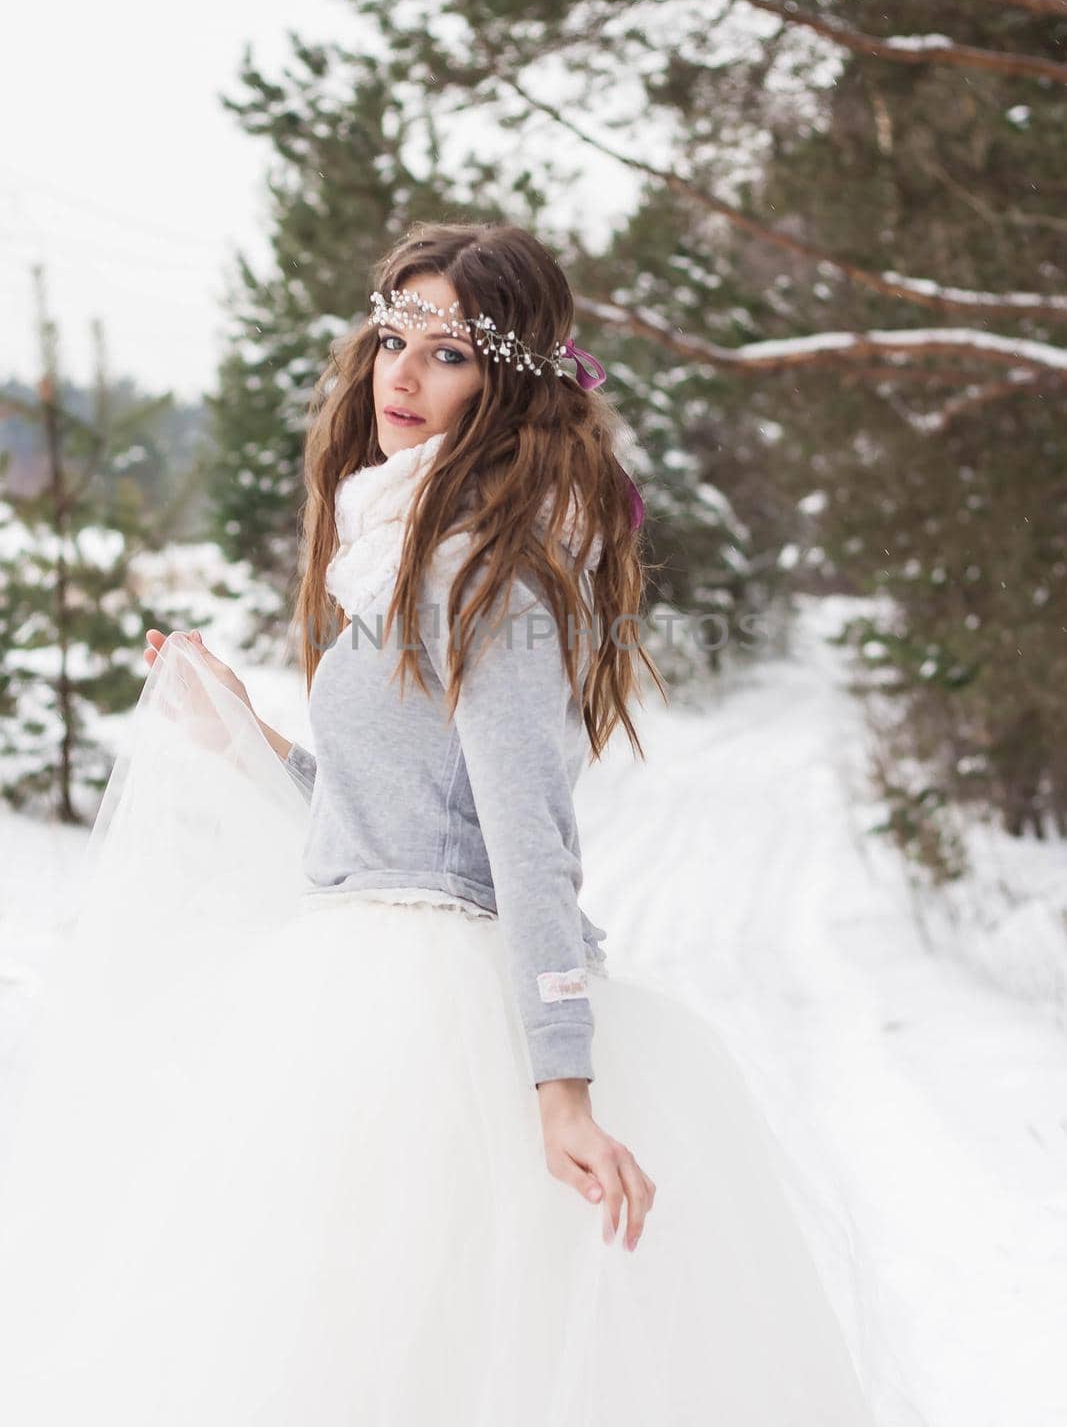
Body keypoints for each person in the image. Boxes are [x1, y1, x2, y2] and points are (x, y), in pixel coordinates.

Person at [0, 221, 880, 1424]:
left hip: (436, 1024)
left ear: (509, 384)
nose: (400, 377)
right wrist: (243, 735)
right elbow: (395, 817)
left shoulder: (489, 571)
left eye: (448, 353)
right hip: (358, 978)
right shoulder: (396, 547)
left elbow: (522, 835)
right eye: (390, 338)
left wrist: (559, 1082)